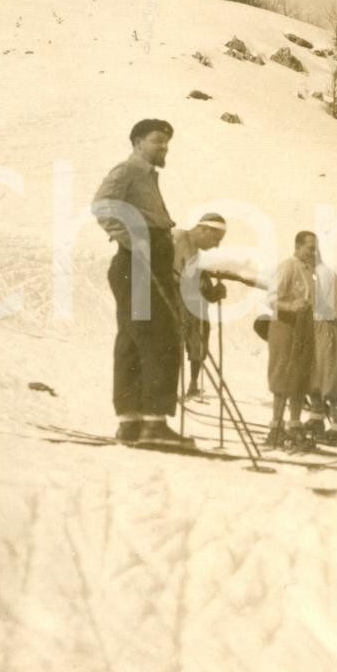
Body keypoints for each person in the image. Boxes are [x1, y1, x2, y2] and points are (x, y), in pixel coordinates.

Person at [93, 119, 187, 446]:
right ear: (137, 142)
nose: (164, 148)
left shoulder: (145, 175)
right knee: (159, 337)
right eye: (157, 141)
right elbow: (103, 207)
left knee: (133, 340)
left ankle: (130, 421)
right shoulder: (128, 171)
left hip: (146, 261)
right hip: (138, 263)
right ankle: (153, 423)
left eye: (166, 143)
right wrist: (135, 242)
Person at [264, 231, 318, 451]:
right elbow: (271, 299)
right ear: (297, 246)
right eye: (310, 248)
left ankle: (294, 425)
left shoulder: (310, 271)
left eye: (315, 249)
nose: (314, 253)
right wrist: (291, 306)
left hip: (303, 326)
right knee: (282, 374)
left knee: (300, 375)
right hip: (285, 326)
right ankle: (276, 428)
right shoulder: (288, 266)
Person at [173, 215, 228, 399]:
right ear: (205, 229)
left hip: (190, 308)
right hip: (169, 305)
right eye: (216, 239)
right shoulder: (177, 238)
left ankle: (190, 385)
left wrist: (215, 292)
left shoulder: (195, 253)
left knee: (195, 346)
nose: (217, 246)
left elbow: (195, 285)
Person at [306, 254, 337, 447]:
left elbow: (330, 307)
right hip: (316, 326)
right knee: (312, 376)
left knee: (331, 379)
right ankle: (317, 418)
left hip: (329, 326)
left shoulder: (324, 273)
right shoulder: (309, 272)